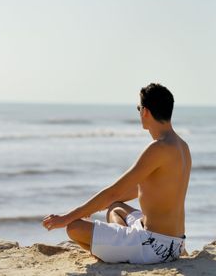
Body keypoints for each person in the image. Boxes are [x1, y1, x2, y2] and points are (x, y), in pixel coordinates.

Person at [43, 83, 191, 264]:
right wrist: (97, 206)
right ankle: (117, 246)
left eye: (139, 108)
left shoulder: (158, 148)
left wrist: (66, 217)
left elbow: (113, 190)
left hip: (154, 247)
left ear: (145, 111)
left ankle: (116, 251)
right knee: (115, 207)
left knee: (73, 227)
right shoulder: (182, 146)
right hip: (176, 244)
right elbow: (141, 190)